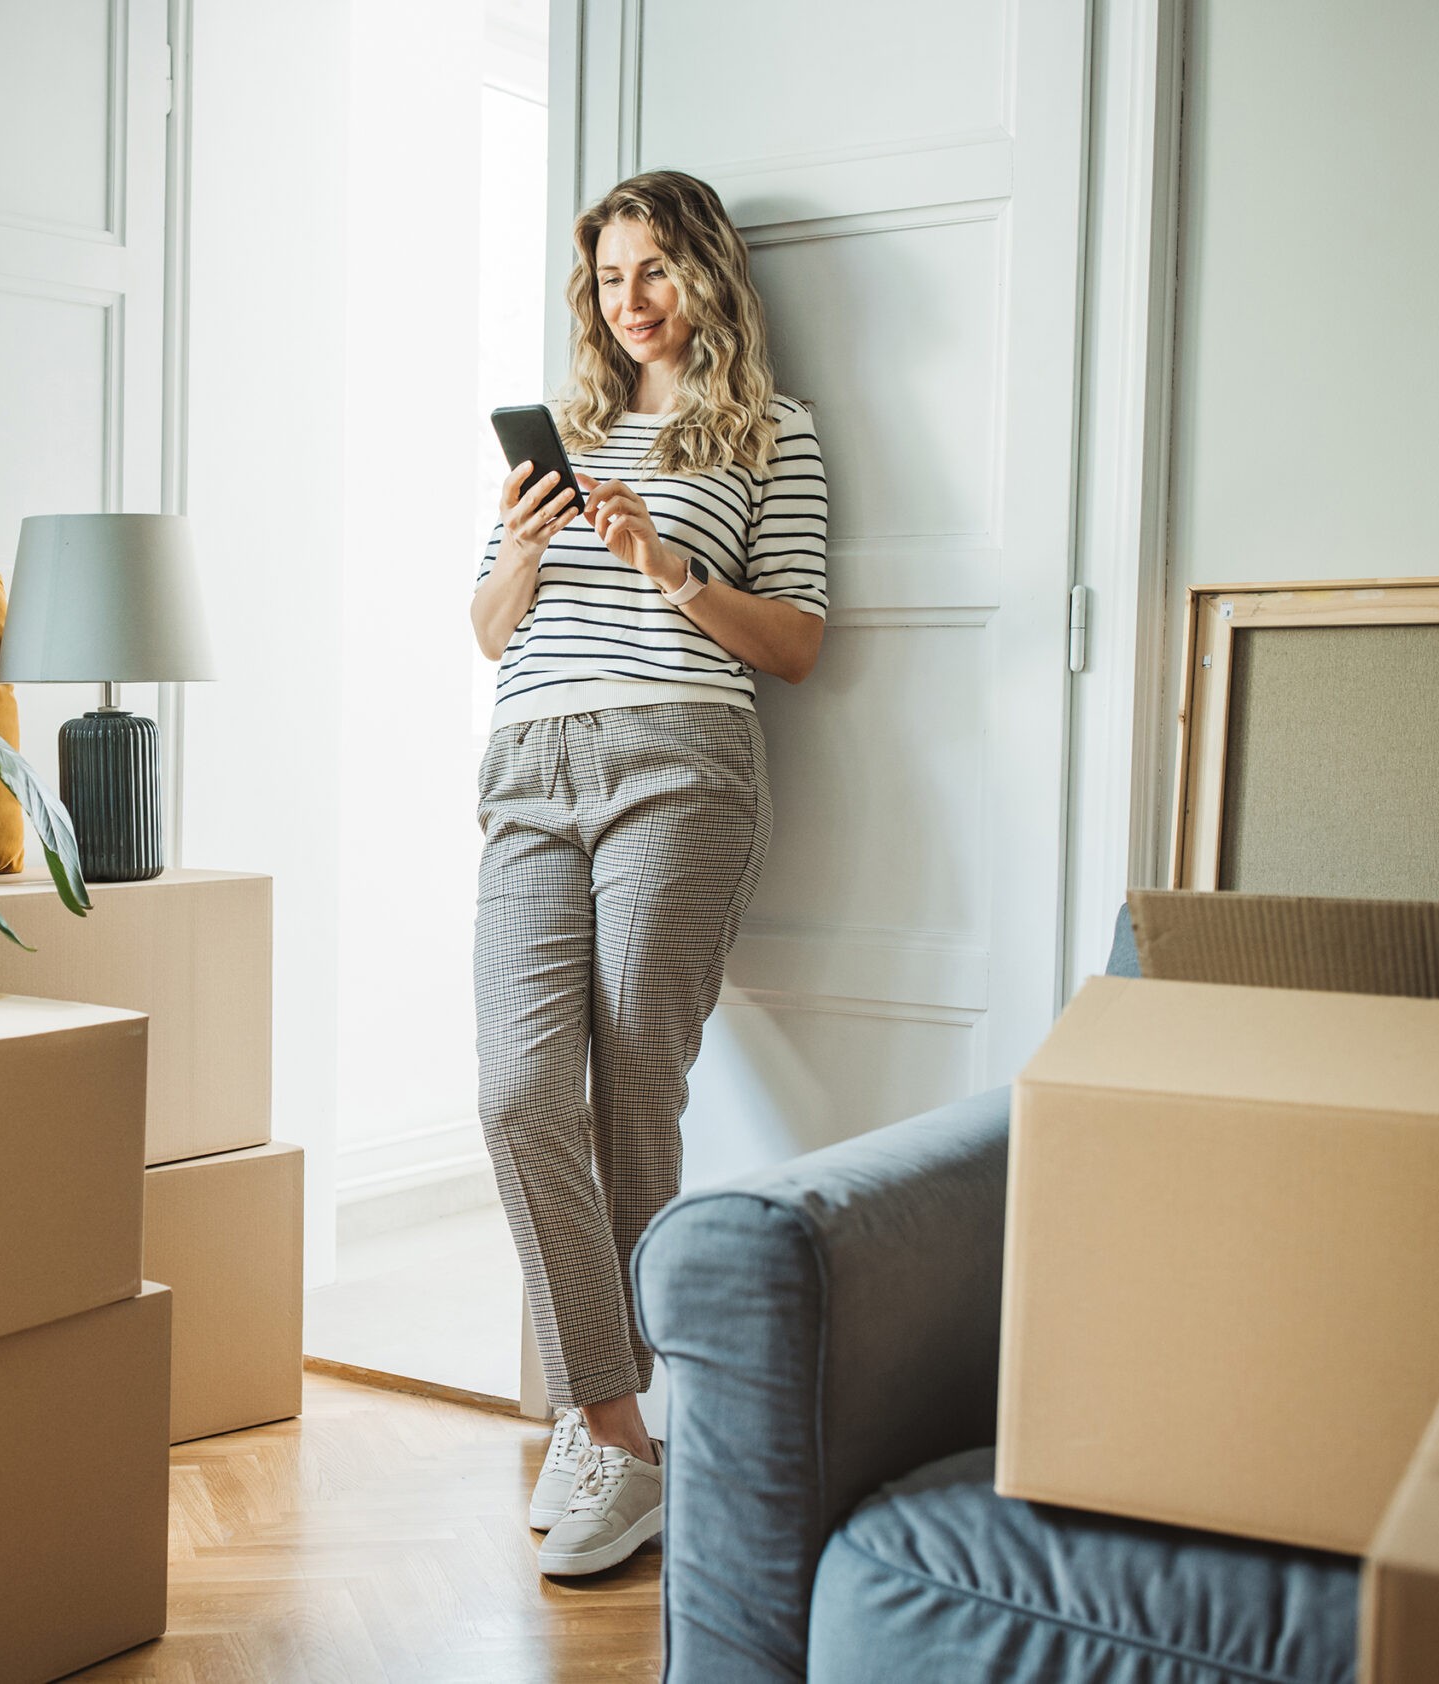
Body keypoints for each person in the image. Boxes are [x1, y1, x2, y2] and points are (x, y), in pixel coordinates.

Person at [470, 169, 828, 1578]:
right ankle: (616, 1427)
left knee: (631, 1083)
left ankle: (617, 1438)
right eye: (613, 279)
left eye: (656, 272)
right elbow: (490, 629)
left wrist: (668, 566)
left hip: (682, 757)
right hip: (527, 768)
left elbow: (797, 641)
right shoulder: (555, 441)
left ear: (705, 278)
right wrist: (529, 548)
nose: (632, 302)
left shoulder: (771, 436)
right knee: (515, 1090)